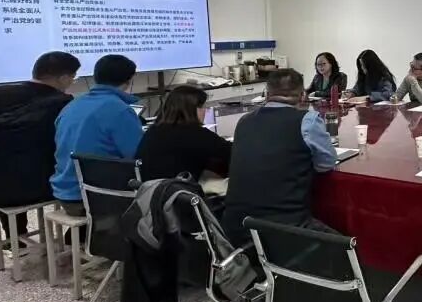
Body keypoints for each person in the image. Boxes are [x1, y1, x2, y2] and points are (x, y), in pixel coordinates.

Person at [0, 51, 80, 240]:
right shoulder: (63, 103)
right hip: (43, 187)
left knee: (5, 166)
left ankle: (15, 239)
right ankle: (74, 240)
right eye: (73, 77)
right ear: (64, 78)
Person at [222, 69, 337, 246]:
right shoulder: (308, 120)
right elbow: (326, 164)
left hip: (237, 229)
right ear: (302, 95)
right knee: (352, 250)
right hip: (284, 230)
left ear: (267, 93)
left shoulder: (244, 121)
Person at [51, 55, 145, 215]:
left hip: (65, 193)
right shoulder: (120, 110)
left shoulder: (71, 105)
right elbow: (138, 156)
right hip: (98, 197)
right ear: (129, 80)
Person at [136, 85, 232, 181]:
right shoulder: (196, 134)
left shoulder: (153, 130)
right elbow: (232, 152)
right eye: (202, 107)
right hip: (176, 188)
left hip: (149, 188)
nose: (205, 111)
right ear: (191, 109)